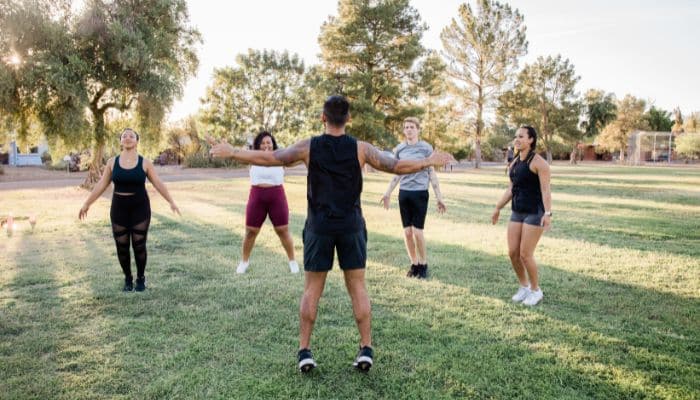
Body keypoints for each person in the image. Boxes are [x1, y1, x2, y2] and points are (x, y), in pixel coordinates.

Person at [209, 95, 454, 373]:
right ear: (348, 118)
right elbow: (395, 166)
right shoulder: (361, 149)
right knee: (358, 287)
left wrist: (233, 152)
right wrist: (428, 161)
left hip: (319, 228)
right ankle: (366, 347)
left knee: (312, 290)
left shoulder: (309, 147)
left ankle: (304, 351)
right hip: (351, 227)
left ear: (323, 118)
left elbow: (272, 158)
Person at [79, 128, 180, 292]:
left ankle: (141, 278)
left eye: (131, 136)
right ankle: (128, 278)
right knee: (122, 246)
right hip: (119, 208)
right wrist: (87, 204)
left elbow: (158, 183)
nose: (127, 138)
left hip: (140, 208)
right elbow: (102, 184)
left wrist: (171, 201)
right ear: (120, 141)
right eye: (124, 136)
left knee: (139, 245)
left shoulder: (145, 162)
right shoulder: (112, 162)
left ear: (137, 141)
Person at [491, 126, 552, 306]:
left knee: (525, 254)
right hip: (517, 211)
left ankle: (536, 290)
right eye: (516, 136)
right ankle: (524, 286)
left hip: (535, 212)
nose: (517, 139)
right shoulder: (514, 163)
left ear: (531, 140)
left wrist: (548, 214)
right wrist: (498, 207)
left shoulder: (539, 163)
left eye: (521, 136)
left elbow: (546, 190)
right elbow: (511, 189)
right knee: (513, 253)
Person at [380, 117, 445, 279]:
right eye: (406, 127)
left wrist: (439, 197)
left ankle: (423, 264)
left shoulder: (426, 148)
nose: (409, 129)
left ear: (418, 130)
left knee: (417, 232)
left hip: (420, 193)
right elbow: (397, 173)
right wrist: (387, 193)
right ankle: (414, 264)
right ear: (404, 130)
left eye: (412, 127)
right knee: (407, 232)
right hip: (404, 193)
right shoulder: (400, 149)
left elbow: (431, 173)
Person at [237, 131, 299, 274]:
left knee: (282, 230)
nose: (266, 145)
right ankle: (244, 262)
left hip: (277, 196)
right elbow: (237, 156)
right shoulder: (253, 157)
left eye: (269, 142)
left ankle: (292, 261)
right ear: (258, 145)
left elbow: (297, 158)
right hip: (257, 196)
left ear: (273, 144)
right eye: (263, 143)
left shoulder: (280, 156)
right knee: (251, 232)